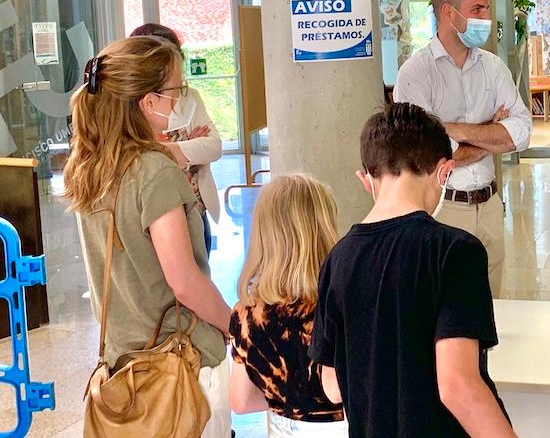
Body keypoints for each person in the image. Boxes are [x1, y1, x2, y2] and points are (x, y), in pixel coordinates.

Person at [309, 103, 516, 438]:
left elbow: (332, 386)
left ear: (366, 179)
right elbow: (458, 385)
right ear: (444, 172)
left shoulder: (338, 259)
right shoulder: (454, 251)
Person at [64, 36, 231, 436]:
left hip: (125, 363)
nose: (179, 100)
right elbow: (184, 281)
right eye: (176, 90)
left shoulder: (89, 169)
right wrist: (234, 324)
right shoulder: (153, 171)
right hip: (182, 361)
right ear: (149, 102)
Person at [393, 0, 532, 296]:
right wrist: (490, 134)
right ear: (448, 13)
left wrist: (450, 130)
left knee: (491, 304)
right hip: (443, 208)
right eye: (478, 9)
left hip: (489, 205)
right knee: (445, 307)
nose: (486, 18)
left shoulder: (493, 68)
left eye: (487, 9)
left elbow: (521, 134)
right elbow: (426, 154)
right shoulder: (416, 73)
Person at [229, 174, 346, 437]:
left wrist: (288, 403)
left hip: (283, 429)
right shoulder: (339, 305)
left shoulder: (245, 314)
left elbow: (240, 401)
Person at [130, 23, 222, 255]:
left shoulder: (189, 97)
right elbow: (133, 156)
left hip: (195, 208)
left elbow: (213, 146)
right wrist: (187, 149)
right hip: (153, 216)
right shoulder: (127, 108)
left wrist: (159, 149)